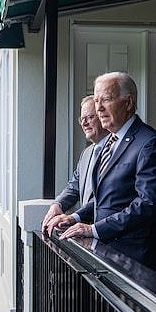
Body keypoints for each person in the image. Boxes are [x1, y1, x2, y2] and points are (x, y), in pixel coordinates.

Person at [55, 71, 156, 278]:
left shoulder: (149, 143)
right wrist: (75, 217)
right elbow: (108, 200)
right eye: (97, 100)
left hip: (138, 265)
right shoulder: (110, 141)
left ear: (128, 103)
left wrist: (93, 230)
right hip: (108, 259)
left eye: (106, 100)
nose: (99, 108)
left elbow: (147, 205)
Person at [41, 96, 107, 235]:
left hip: (108, 233)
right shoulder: (87, 153)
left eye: (89, 117)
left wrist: (74, 217)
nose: (84, 123)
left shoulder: (115, 151)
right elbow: (74, 186)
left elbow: (105, 197)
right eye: (81, 119)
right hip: (87, 235)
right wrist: (58, 204)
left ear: (102, 116)